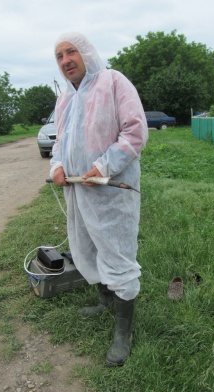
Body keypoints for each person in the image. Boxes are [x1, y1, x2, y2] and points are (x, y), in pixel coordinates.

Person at [50, 32, 148, 366]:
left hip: (111, 192)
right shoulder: (64, 99)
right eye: (59, 56)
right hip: (79, 191)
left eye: (71, 52)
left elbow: (135, 132)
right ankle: (106, 300)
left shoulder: (113, 82)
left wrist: (103, 166)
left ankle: (124, 332)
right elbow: (60, 142)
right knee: (87, 247)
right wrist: (58, 165)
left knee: (117, 253)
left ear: (86, 53)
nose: (65, 61)